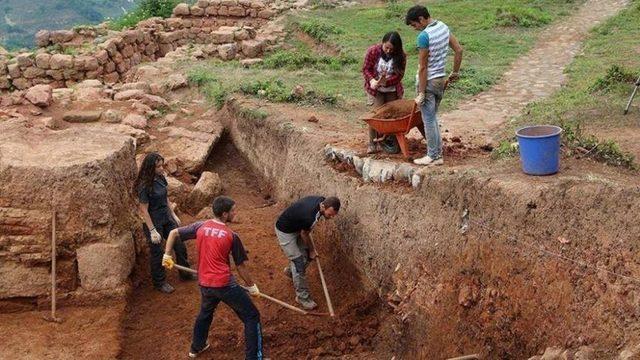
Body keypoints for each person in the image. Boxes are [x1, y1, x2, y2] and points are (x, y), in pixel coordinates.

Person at [162, 196, 263, 359]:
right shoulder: (232, 236)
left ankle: (197, 347)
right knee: (252, 316)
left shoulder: (200, 226)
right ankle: (254, 357)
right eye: (232, 211)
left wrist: (166, 255)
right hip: (224, 285)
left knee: (205, 313)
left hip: (205, 283)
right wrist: (252, 286)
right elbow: (241, 266)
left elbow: (173, 233)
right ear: (224, 214)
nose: (235, 213)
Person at [406, 5, 463, 166]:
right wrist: (455, 72)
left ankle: (433, 155)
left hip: (428, 82)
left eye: (414, 24)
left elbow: (423, 67)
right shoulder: (443, 27)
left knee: (428, 119)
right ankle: (437, 154)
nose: (414, 28)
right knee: (432, 117)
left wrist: (421, 92)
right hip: (440, 80)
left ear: (422, 19)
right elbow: (459, 50)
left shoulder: (424, 36)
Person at [135, 152, 194, 294]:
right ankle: (159, 282)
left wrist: (173, 214)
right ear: (150, 168)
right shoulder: (144, 186)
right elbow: (144, 210)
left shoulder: (161, 178)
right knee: (158, 252)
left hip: (166, 217)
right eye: (158, 166)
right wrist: (152, 230)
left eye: (162, 165)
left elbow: (165, 197)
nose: (162, 168)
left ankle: (185, 273)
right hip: (154, 220)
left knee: (179, 244)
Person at [274, 196, 341, 310]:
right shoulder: (309, 217)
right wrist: (312, 250)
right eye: (330, 214)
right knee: (299, 263)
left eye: (333, 215)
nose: (331, 217)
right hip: (285, 231)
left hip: (297, 227)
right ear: (323, 206)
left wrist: (309, 252)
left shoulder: (322, 200)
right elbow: (305, 234)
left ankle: (291, 272)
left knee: (306, 256)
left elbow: (304, 231)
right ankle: (302, 297)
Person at [362, 31, 407, 154]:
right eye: (386, 47)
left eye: (392, 49)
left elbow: (399, 76)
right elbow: (366, 68)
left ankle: (390, 140)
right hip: (375, 90)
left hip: (392, 89)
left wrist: (385, 82)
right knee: (376, 115)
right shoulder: (373, 51)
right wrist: (371, 80)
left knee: (392, 115)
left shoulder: (401, 56)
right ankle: (372, 143)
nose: (388, 51)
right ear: (382, 43)